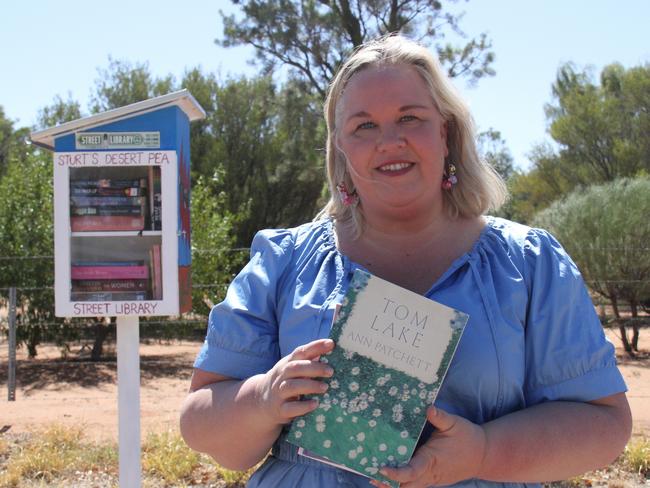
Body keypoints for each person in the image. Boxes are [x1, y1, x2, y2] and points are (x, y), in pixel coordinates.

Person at [180, 34, 632, 487]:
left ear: (445, 130)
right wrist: (263, 398)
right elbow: (203, 425)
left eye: (409, 118)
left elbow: (604, 425)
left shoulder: (530, 264)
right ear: (340, 145)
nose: (389, 141)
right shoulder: (284, 262)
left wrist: (483, 452)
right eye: (364, 126)